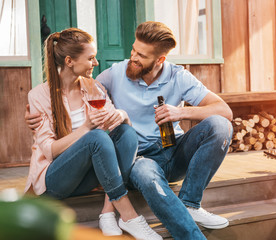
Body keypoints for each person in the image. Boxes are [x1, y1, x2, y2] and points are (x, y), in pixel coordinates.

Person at [26, 22, 233, 239]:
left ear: (160, 60)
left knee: (219, 125)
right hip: (137, 160)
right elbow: (67, 95)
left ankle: (190, 202)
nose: (132, 57)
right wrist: (34, 116)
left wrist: (179, 113)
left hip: (173, 149)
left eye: (141, 55)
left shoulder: (176, 76)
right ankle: (136, 217)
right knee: (114, 146)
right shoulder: (113, 75)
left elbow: (224, 110)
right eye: (133, 49)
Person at [25, 28, 162, 240]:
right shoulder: (39, 96)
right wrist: (87, 127)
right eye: (90, 58)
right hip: (56, 179)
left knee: (126, 132)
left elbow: (113, 123)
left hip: (88, 177)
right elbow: (50, 151)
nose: (96, 63)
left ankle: (108, 212)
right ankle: (128, 214)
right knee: (96, 137)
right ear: (69, 61)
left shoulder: (94, 88)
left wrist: (122, 114)